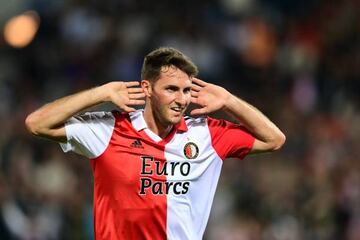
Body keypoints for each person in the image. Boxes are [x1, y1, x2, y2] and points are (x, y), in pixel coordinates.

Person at [25, 47, 285, 240]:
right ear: (147, 88)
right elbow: (37, 123)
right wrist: (101, 93)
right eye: (171, 89)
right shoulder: (111, 128)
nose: (181, 99)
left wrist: (229, 101)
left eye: (186, 90)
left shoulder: (206, 134)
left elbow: (274, 139)